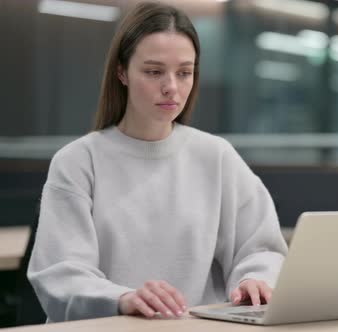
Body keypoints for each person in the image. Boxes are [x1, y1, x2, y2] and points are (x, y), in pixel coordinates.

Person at [27, 1, 287, 322]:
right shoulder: (79, 162)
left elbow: (260, 249)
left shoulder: (217, 157)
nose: (172, 88)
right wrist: (122, 297)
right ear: (122, 71)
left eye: (184, 73)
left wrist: (254, 280)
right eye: (154, 71)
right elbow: (61, 273)